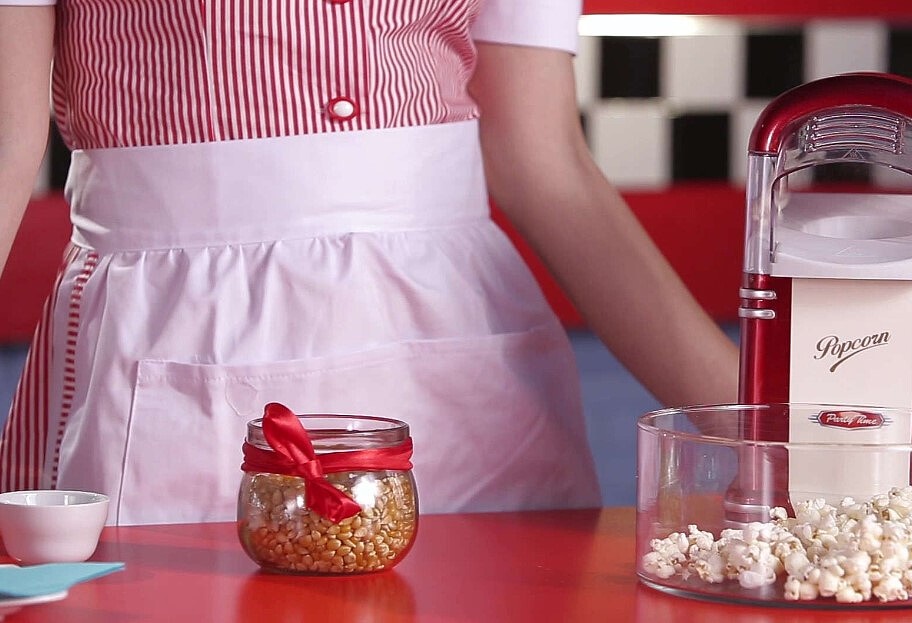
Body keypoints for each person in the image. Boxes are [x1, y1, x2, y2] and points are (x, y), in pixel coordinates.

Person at [0, 1, 739, 525]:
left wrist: (769, 428)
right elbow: (6, 145)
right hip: (179, 324)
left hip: (460, 355)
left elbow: (544, 165)